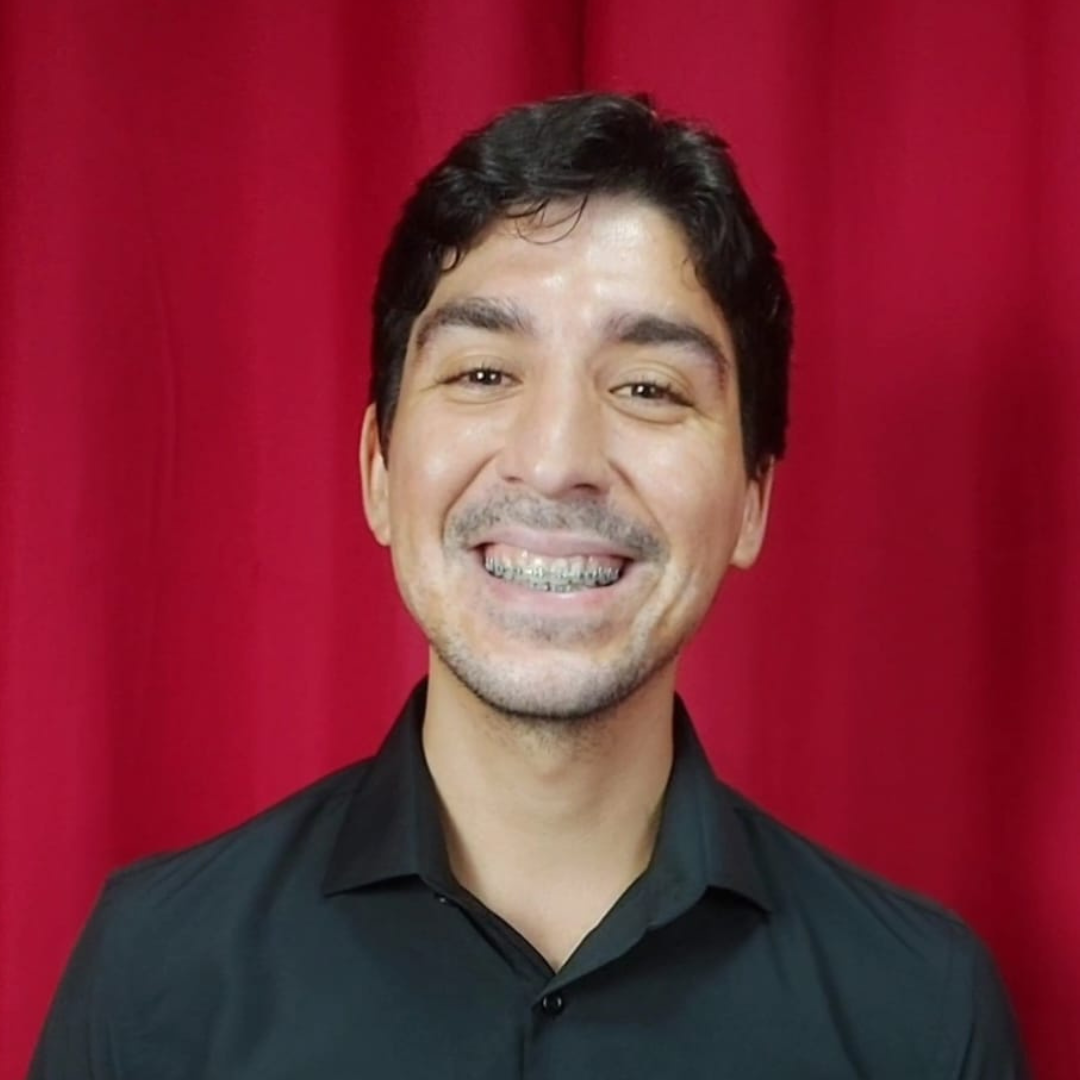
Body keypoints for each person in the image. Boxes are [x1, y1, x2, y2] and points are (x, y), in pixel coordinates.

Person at [29, 92, 1028, 1078]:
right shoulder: (153, 975)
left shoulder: (922, 1017)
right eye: (484, 374)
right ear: (378, 470)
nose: (555, 462)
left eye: (648, 388)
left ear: (752, 502)